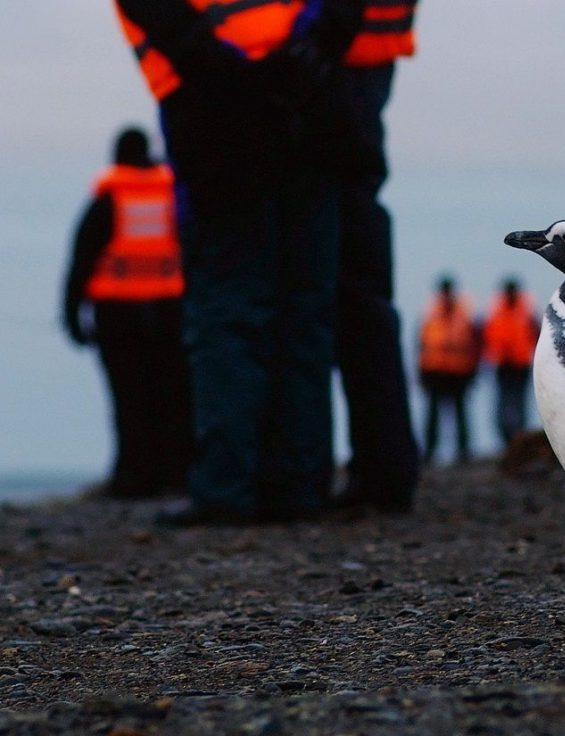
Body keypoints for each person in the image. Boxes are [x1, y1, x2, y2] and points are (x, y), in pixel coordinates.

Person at [112, 0, 367, 524]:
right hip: (310, 109)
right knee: (303, 311)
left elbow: (172, 28)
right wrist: (305, 61)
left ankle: (228, 488)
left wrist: (246, 80)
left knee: (230, 316)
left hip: (216, 123)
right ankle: (297, 486)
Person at [62, 126, 192, 498]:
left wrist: (72, 315)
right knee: (173, 394)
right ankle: (176, 473)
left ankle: (133, 476)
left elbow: (81, 260)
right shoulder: (173, 196)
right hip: (171, 309)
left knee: (128, 398)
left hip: (117, 313)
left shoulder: (108, 199)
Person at [329, 1, 421, 513]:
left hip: (338, 66)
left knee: (347, 289)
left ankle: (378, 470)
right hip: (362, 59)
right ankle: (384, 467)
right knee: (360, 288)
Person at [418, 276, 480, 464]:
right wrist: (421, 373)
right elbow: (422, 345)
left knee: (460, 413)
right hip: (435, 371)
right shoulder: (431, 314)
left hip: (458, 372)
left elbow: (474, 345)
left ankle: (463, 451)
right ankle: (430, 451)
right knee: (433, 415)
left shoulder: (464, 315)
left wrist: (472, 371)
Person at [482, 278, 539, 446]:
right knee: (503, 402)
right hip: (502, 364)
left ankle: (519, 436)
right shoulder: (497, 311)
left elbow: (536, 335)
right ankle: (505, 436)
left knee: (519, 402)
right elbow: (487, 337)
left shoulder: (526, 313)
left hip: (521, 364)